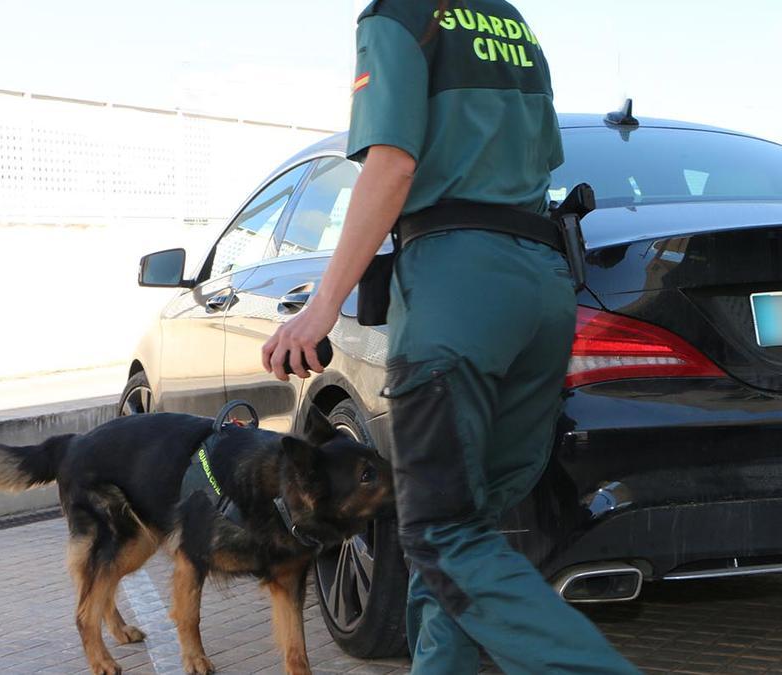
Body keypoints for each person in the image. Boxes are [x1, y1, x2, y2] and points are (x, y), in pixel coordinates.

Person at [262, 1, 639, 672]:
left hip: (457, 288)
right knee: (463, 528)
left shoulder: (399, 15)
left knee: (440, 532)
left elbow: (392, 166)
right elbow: (539, 159)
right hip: (542, 286)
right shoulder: (509, 21)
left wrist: (321, 306)